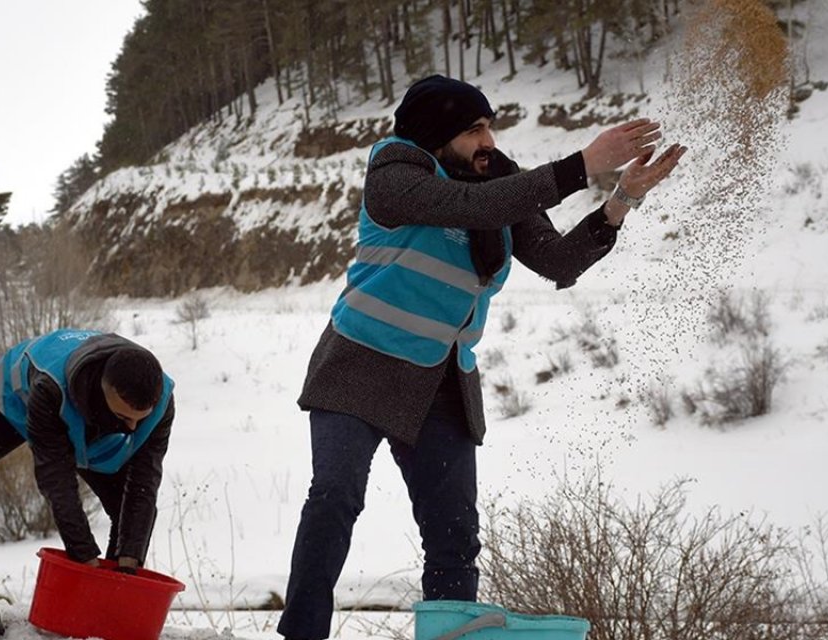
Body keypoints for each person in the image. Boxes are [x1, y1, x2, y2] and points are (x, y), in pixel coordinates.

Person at [276, 75, 686, 639]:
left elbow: (559, 261)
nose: (488, 140)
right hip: (360, 364)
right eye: (474, 129)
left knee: (454, 535)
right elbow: (469, 206)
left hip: (443, 380)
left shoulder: (497, 179)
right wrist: (581, 165)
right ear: (438, 136)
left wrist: (620, 200)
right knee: (334, 499)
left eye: (490, 126)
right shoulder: (396, 174)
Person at [0, 328, 176, 640]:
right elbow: (57, 479)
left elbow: (144, 482)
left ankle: (107, 601)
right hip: (16, 400)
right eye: (125, 417)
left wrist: (126, 566)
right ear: (104, 391)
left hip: (92, 421)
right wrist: (84, 557)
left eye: (140, 419)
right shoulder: (50, 388)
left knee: (129, 511)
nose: (133, 428)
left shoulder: (160, 403)